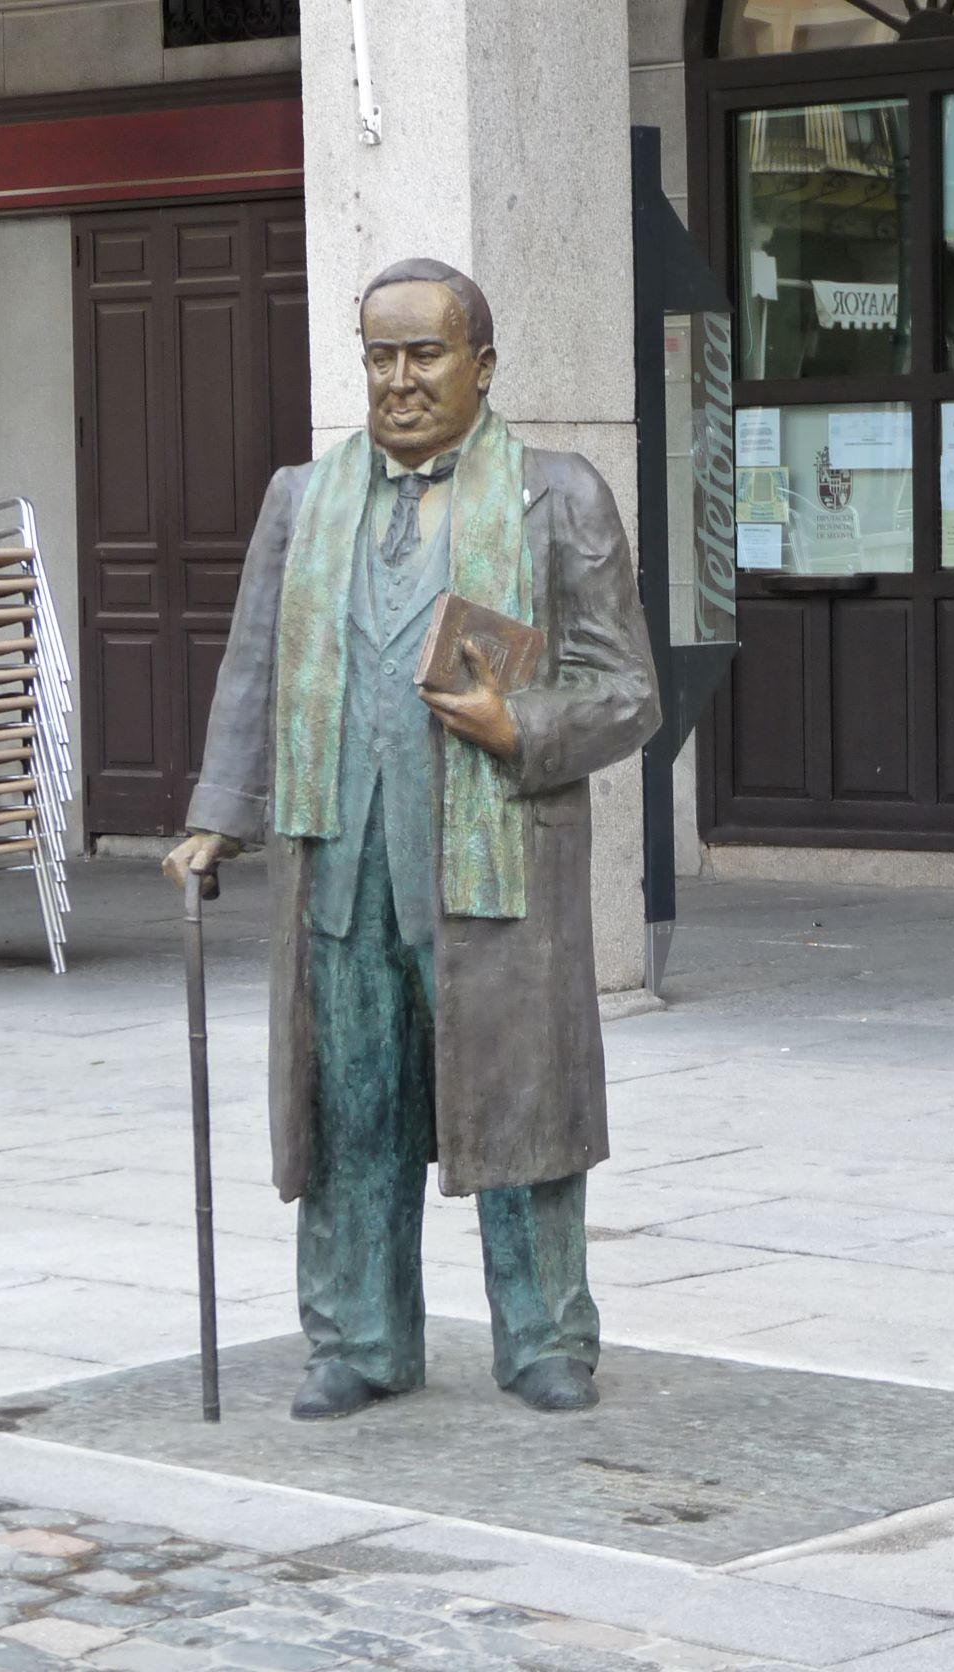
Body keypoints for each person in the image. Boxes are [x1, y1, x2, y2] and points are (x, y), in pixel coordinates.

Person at [164, 258, 660, 1420]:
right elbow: (253, 670)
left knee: (518, 1102)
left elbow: (629, 687)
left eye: (423, 353)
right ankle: (360, 1338)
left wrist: (519, 721)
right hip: (338, 863)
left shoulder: (559, 495)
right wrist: (213, 816)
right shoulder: (303, 497)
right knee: (351, 1106)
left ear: (482, 364)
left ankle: (544, 1336)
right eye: (379, 355)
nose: (398, 380)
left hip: (493, 871)